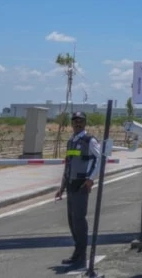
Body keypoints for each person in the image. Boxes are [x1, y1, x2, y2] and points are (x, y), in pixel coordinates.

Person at [54, 111, 101, 266]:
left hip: (81, 185)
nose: (77, 124)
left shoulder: (90, 140)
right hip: (70, 185)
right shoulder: (71, 141)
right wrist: (61, 187)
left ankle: (81, 254)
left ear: (85, 123)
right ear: (71, 124)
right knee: (72, 221)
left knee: (79, 220)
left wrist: (90, 179)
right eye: (75, 121)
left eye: (80, 121)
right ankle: (77, 251)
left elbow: (100, 160)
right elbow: (68, 165)